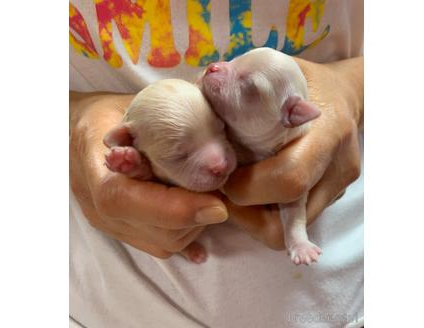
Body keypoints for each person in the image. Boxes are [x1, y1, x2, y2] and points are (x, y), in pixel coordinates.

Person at [69, 1, 364, 327]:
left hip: (337, 294)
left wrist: (354, 87)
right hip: (112, 298)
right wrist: (72, 119)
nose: (220, 163)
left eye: (221, 129)